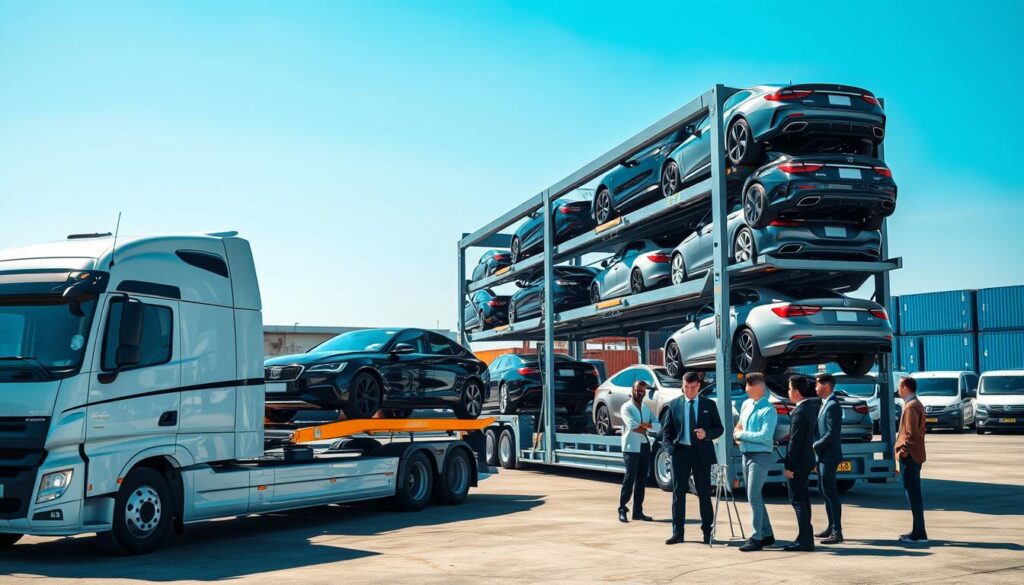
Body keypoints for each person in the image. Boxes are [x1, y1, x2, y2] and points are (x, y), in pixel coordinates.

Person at [661, 371, 723, 545]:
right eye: (686, 387)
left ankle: (707, 532)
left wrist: (707, 434)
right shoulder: (674, 405)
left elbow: (719, 428)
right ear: (682, 386)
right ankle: (678, 533)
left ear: (699, 386)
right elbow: (666, 431)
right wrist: (669, 449)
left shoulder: (709, 404)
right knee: (678, 494)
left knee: (704, 494)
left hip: (701, 454)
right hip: (680, 453)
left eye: (693, 387)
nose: (689, 391)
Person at [734, 372, 778, 552]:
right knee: (755, 495)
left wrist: (742, 435)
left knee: (753, 495)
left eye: (749, 385)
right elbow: (738, 426)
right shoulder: (746, 404)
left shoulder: (769, 410)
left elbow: (765, 436)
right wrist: (737, 434)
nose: (746, 389)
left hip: (761, 455)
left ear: (759, 387)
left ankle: (756, 537)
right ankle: (767, 534)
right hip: (746, 453)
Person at [783, 375, 819, 552]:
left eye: (790, 389)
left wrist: (788, 465)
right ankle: (805, 536)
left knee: (797, 500)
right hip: (807, 459)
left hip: (798, 462)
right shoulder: (809, 408)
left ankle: (804, 540)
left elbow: (795, 442)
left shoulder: (799, 412)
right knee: (803, 499)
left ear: (796, 391)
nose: (788, 392)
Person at [618, 379, 658, 523]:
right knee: (630, 477)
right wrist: (647, 427)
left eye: (642, 390)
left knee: (642, 479)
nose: (640, 393)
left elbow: (658, 426)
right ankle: (622, 509)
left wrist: (644, 426)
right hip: (631, 447)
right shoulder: (626, 407)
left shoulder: (646, 408)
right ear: (632, 390)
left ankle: (637, 512)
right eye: (637, 390)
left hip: (645, 445)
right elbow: (632, 426)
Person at [895, 375, 928, 543]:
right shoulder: (914, 403)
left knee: (913, 495)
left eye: (899, 386)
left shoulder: (911, 406)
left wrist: (903, 452)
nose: (897, 389)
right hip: (915, 455)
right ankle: (918, 530)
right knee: (914, 495)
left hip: (910, 457)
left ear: (905, 388)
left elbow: (911, 435)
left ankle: (919, 534)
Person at [813, 373, 844, 544]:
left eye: (817, 385)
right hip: (822, 456)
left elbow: (832, 432)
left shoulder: (832, 405)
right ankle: (831, 526)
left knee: (830, 493)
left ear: (826, 386)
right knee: (823, 491)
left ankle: (837, 532)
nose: (815, 387)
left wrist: (816, 445)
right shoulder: (825, 403)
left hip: (829, 456)